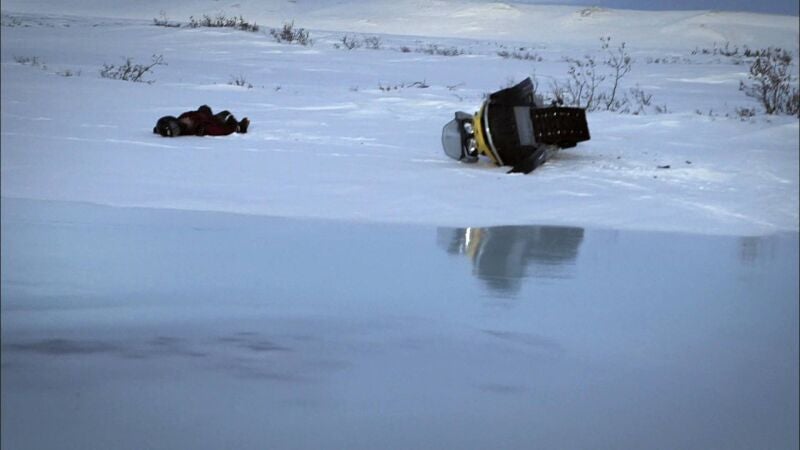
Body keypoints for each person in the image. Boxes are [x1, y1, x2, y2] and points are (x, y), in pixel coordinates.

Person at [441, 78, 590, 174]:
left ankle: (554, 138)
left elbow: (517, 91)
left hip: (511, 121)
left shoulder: (491, 107)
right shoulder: (498, 155)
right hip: (514, 143)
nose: (469, 134)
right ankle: (555, 141)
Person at [154, 105, 249, 137]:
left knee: (205, 108)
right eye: (175, 131)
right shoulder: (201, 128)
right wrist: (237, 127)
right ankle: (238, 126)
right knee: (225, 114)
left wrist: (158, 129)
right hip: (211, 122)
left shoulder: (183, 117)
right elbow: (222, 131)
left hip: (206, 116)